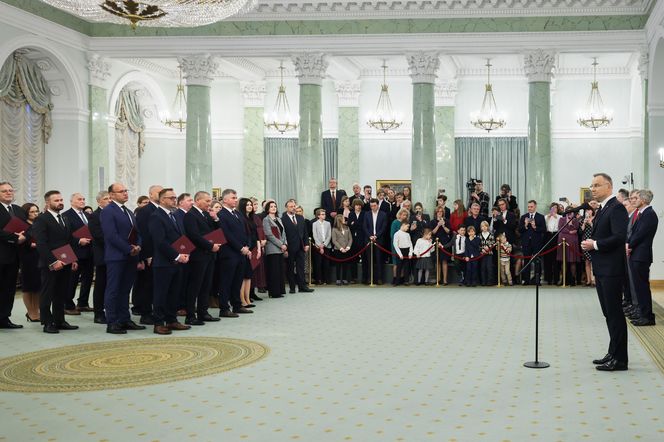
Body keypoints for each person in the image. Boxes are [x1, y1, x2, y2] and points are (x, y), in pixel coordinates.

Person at [580, 173, 629, 372]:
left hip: (612, 270)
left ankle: (621, 360)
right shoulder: (603, 208)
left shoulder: (616, 207)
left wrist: (595, 244)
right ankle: (613, 351)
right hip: (603, 269)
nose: (593, 188)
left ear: (609, 187)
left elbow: (619, 237)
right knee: (608, 314)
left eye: (597, 185)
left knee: (615, 314)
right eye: (592, 185)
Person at [31, 190, 79, 334]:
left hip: (66, 260)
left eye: (61, 199)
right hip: (50, 263)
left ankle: (60, 320)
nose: (60, 202)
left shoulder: (64, 218)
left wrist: (73, 259)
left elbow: (68, 240)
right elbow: (41, 244)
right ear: (48, 203)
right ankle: (47, 322)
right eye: (56, 200)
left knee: (61, 293)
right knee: (47, 293)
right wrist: (53, 261)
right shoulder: (41, 219)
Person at [100, 182, 144, 335]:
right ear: (111, 195)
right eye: (121, 191)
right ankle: (112, 322)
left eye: (126, 190)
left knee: (125, 290)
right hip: (116, 256)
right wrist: (128, 248)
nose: (125, 193)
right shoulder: (108, 211)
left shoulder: (129, 211)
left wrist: (138, 246)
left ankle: (125, 319)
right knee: (113, 289)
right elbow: (111, 236)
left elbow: (137, 232)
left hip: (131, 256)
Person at [149, 188, 191, 335]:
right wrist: (177, 256)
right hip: (163, 262)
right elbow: (160, 242)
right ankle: (158, 323)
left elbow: (181, 237)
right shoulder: (156, 216)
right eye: (171, 197)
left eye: (175, 197)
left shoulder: (175, 215)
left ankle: (172, 320)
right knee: (161, 294)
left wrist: (185, 252)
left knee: (174, 293)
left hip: (178, 261)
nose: (174, 199)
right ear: (162, 200)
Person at [182, 191, 222, 326]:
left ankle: (203, 312)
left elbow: (216, 231)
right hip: (198, 255)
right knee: (195, 286)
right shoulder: (190, 215)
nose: (209, 203)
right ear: (197, 200)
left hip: (209, 255)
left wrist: (215, 218)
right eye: (206, 201)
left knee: (206, 285)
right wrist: (211, 246)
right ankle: (190, 315)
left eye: (210, 201)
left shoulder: (206, 214)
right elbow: (194, 236)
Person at [218, 189, 255, 316]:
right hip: (229, 253)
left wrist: (247, 246)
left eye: (236, 197)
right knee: (226, 282)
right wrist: (241, 247)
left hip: (241, 253)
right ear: (225, 200)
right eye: (233, 197)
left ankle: (237, 305)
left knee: (237, 281)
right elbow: (226, 235)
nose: (235, 199)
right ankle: (224, 308)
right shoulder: (221, 214)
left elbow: (246, 232)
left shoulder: (237, 214)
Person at [626, 189, 658, 326]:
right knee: (639, 287)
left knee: (642, 287)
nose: (635, 200)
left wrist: (629, 245)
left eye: (637, 198)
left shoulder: (649, 214)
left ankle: (647, 317)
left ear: (644, 200)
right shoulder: (643, 214)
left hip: (641, 255)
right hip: (637, 254)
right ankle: (643, 313)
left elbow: (640, 234)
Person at [133, 184, 162, 325]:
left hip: (162, 254)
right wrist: (147, 255)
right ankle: (145, 313)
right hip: (150, 254)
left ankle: (156, 311)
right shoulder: (145, 211)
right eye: (158, 192)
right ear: (150, 195)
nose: (161, 194)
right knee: (147, 285)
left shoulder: (164, 210)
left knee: (158, 285)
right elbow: (144, 234)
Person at [0, 182, 27, 329]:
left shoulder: (18, 209)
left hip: (15, 256)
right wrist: (15, 237)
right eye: (4, 191)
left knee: (9, 289)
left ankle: (4, 318)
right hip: (1, 254)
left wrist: (25, 235)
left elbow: (27, 227)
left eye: (10, 190)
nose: (8, 193)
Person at [62, 192, 93, 314]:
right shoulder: (66, 215)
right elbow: (65, 235)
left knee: (88, 279)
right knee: (72, 280)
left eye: (84, 199)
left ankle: (83, 303)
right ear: (72, 201)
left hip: (89, 251)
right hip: (74, 252)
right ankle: (68, 305)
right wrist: (79, 240)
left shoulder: (88, 215)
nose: (82, 201)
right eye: (79, 199)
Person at [282, 199, 314, 294]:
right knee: (290, 268)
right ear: (286, 208)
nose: (293, 208)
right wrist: (285, 248)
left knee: (301, 267)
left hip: (301, 247)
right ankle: (292, 287)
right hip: (290, 247)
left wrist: (306, 244)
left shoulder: (300, 218)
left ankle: (302, 286)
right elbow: (283, 235)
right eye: (291, 206)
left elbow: (304, 232)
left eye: (294, 206)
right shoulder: (283, 219)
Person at [88, 191, 110, 324]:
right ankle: (99, 313)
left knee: (112, 286)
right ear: (99, 201)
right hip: (103, 255)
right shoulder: (94, 216)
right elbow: (98, 235)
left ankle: (111, 310)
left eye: (110, 198)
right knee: (101, 286)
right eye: (106, 199)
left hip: (116, 255)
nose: (109, 201)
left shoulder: (113, 213)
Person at [19, 203, 40, 322]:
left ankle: (36, 311)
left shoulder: (39, 223)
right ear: (26, 213)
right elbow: (21, 241)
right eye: (32, 212)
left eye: (36, 211)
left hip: (39, 256)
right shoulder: (22, 225)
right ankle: (30, 312)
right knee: (28, 287)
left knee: (38, 287)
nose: (35, 214)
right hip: (27, 258)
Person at [238, 197, 261, 309]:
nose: (250, 206)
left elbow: (256, 236)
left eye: (251, 205)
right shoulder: (241, 218)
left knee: (248, 275)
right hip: (245, 249)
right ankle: (242, 299)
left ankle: (247, 298)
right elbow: (243, 235)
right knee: (243, 276)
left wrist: (258, 249)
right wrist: (246, 248)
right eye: (247, 205)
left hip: (252, 249)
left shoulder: (251, 218)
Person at [518, 200, 546, 285]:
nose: (529, 208)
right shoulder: (524, 217)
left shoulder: (540, 217)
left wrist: (535, 227)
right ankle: (526, 280)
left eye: (531, 206)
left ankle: (537, 280)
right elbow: (520, 230)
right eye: (528, 207)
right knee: (526, 261)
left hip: (537, 243)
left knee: (537, 261)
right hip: (526, 243)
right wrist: (525, 225)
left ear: (535, 206)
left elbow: (544, 230)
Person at [263, 201, 287, 298]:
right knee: (274, 271)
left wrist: (285, 244)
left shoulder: (278, 219)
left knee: (280, 270)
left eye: (275, 206)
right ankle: (274, 292)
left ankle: (280, 290)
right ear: (267, 209)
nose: (273, 208)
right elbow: (269, 234)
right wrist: (281, 245)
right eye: (271, 206)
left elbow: (283, 233)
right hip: (272, 248)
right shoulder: (266, 219)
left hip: (281, 247)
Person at [362, 198, 388, 285]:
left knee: (379, 260)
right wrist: (370, 236)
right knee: (370, 260)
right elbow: (365, 226)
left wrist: (376, 236)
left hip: (379, 240)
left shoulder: (383, 214)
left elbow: (384, 227)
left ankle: (380, 278)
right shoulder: (366, 214)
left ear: (378, 205)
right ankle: (370, 278)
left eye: (374, 205)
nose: (373, 207)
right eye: (371, 206)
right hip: (369, 240)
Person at [557, 210, 580, 286]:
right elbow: (560, 228)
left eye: (571, 213)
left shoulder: (575, 220)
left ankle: (573, 280)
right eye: (569, 212)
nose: (570, 214)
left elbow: (576, 229)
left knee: (572, 261)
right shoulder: (562, 219)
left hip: (573, 241)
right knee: (563, 261)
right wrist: (569, 231)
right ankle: (563, 279)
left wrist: (571, 224)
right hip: (563, 240)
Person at [430, 206, 451, 285]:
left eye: (441, 211)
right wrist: (438, 225)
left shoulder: (447, 221)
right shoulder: (432, 222)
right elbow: (433, 232)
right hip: (436, 242)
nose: (439, 213)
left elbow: (448, 231)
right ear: (436, 213)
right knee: (437, 261)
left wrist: (443, 225)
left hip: (444, 242)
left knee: (444, 261)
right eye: (438, 211)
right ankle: (438, 279)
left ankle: (445, 280)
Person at [312, 208, 332, 285]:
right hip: (318, 246)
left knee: (326, 263)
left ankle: (326, 279)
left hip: (326, 245)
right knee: (318, 263)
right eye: (322, 214)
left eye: (324, 214)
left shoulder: (328, 223)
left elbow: (329, 235)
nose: (324, 215)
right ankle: (319, 279)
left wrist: (324, 244)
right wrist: (320, 245)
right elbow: (315, 235)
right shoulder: (314, 224)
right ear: (318, 216)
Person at [347, 199, 365, 283]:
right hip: (353, 239)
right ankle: (353, 278)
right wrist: (354, 224)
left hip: (362, 238)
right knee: (353, 259)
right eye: (357, 205)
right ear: (354, 206)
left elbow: (363, 226)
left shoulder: (364, 213)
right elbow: (349, 226)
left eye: (359, 205)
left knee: (365, 258)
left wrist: (354, 224)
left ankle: (365, 278)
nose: (358, 206)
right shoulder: (351, 214)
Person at [331, 214, 353, 285]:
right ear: (339, 220)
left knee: (345, 265)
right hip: (338, 250)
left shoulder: (347, 228)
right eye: (343, 218)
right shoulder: (334, 229)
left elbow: (350, 239)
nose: (345, 219)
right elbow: (334, 240)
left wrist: (348, 247)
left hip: (347, 250)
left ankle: (344, 279)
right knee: (338, 265)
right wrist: (341, 248)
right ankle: (338, 279)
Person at [390, 208, 410, 283]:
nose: (405, 216)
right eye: (404, 215)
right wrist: (396, 244)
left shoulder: (406, 223)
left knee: (403, 263)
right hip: (396, 245)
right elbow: (392, 235)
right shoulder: (395, 222)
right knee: (396, 263)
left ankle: (401, 278)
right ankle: (395, 278)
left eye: (406, 215)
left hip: (404, 247)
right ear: (400, 215)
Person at [543, 202, 561, 285]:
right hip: (548, 236)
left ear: (557, 209)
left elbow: (560, 227)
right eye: (552, 208)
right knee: (548, 259)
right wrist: (549, 217)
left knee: (556, 259)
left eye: (555, 208)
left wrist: (555, 216)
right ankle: (548, 279)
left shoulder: (560, 217)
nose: (554, 209)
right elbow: (544, 227)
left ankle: (556, 279)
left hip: (556, 236)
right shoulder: (546, 217)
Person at [392, 221, 413, 286]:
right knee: (399, 267)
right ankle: (397, 281)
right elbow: (395, 245)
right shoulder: (397, 234)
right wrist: (400, 254)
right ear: (403, 225)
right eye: (407, 226)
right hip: (400, 251)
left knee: (406, 267)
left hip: (407, 251)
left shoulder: (408, 234)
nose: (408, 228)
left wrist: (410, 253)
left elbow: (410, 244)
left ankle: (406, 281)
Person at [580, 208, 596, 286]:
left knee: (594, 261)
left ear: (592, 211)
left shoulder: (595, 218)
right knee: (587, 262)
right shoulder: (583, 219)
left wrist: (590, 222)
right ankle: (588, 280)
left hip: (592, 240)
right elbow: (581, 230)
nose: (588, 212)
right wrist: (584, 223)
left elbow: (596, 228)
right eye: (586, 211)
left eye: (589, 210)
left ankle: (594, 280)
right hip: (585, 239)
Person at [478, 220, 496, 286]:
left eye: (485, 226)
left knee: (489, 267)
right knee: (483, 268)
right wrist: (482, 249)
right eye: (483, 226)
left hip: (489, 254)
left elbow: (493, 243)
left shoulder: (491, 235)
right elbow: (478, 245)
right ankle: (483, 281)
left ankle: (489, 282)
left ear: (488, 227)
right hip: (482, 254)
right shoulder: (479, 236)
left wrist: (488, 248)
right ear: (481, 227)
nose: (484, 227)